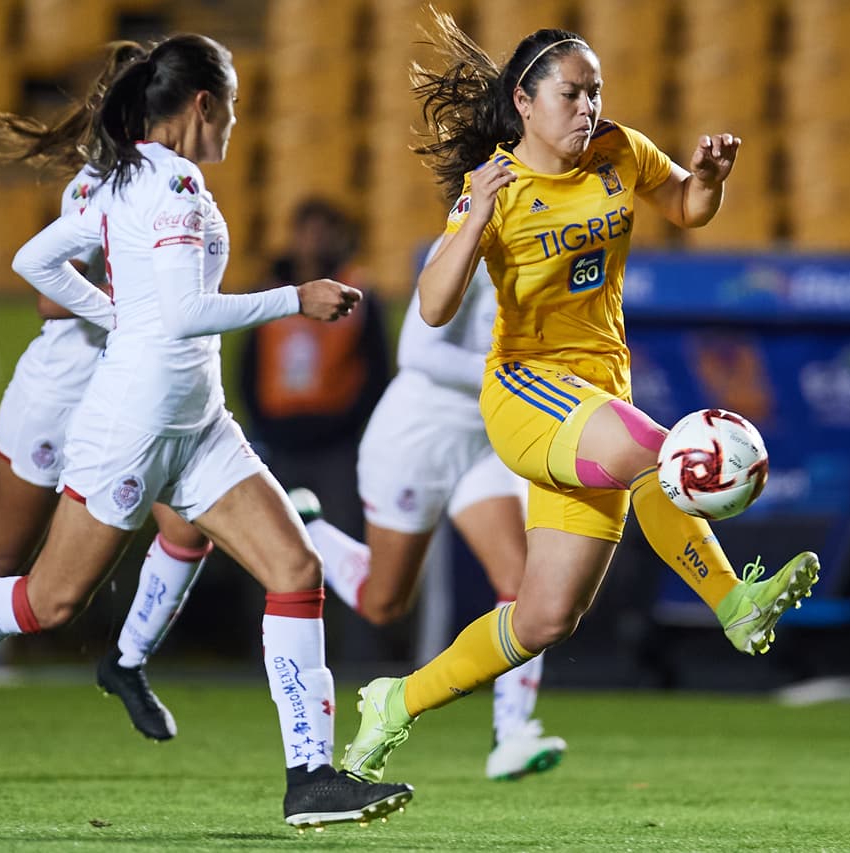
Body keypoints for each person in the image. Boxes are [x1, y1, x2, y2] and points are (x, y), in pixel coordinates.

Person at [0, 33, 414, 828]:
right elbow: (182, 312)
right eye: (231, 107)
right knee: (49, 599)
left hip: (197, 424)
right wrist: (291, 297)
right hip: (132, 426)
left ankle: (309, 775)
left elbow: (36, 259)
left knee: (296, 569)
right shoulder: (171, 188)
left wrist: (118, 314)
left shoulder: (122, 177)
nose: (236, 123)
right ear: (203, 105)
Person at [340, 13, 820, 783]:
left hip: (597, 393)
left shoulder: (617, 151)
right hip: (525, 390)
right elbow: (430, 307)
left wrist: (709, 182)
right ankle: (735, 602)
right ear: (525, 103)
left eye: (595, 92)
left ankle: (394, 702)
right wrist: (471, 221)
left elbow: (688, 209)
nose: (588, 107)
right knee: (651, 452)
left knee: (543, 619)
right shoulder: (494, 184)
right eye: (573, 93)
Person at [0, 42, 216, 794]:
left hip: (135, 396)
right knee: (2, 556)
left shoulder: (182, 185)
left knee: (189, 525)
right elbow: (49, 292)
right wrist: (135, 312)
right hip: (66, 387)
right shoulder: (98, 184)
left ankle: (127, 659)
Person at [292, 238, 566, 780]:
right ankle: (310, 530)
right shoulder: (472, 236)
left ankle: (511, 735)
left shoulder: (567, 236)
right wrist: (513, 373)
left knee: (523, 581)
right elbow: (419, 351)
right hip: (418, 438)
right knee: (384, 602)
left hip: (484, 440)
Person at [238, 198, 389, 542]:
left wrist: (347, 425)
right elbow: (248, 367)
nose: (315, 241)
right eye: (308, 232)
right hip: (278, 440)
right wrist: (263, 426)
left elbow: (377, 370)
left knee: (342, 537)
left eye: (324, 233)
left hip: (337, 443)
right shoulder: (269, 291)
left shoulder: (359, 291)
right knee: (271, 540)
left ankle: (342, 598)